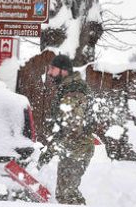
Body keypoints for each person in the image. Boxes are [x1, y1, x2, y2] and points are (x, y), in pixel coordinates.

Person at [37, 54, 94, 205]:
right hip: (73, 149)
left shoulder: (73, 91)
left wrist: (50, 150)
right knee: (69, 194)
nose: (49, 73)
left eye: (53, 69)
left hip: (76, 149)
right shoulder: (68, 88)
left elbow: (72, 128)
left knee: (66, 195)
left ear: (64, 71)